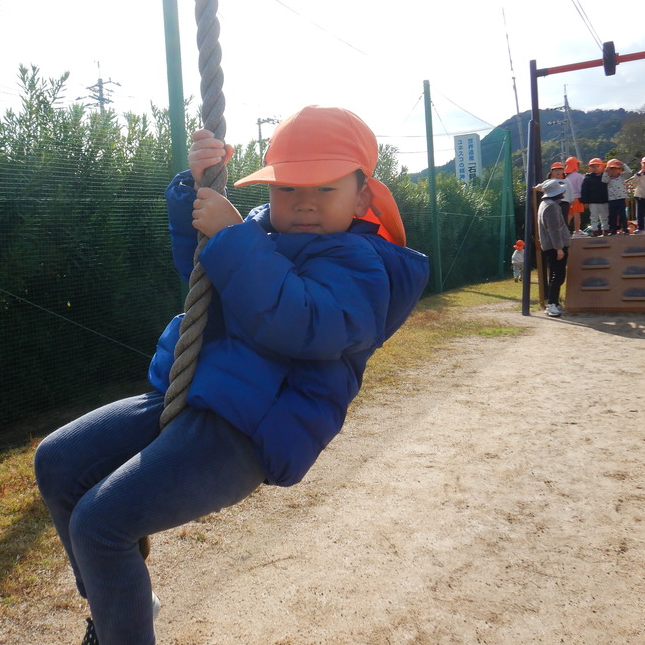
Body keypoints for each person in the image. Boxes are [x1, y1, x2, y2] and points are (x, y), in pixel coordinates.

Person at [34, 105, 430, 645]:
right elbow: (202, 273)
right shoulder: (258, 231)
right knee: (57, 460)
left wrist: (233, 239)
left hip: (249, 428)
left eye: (324, 188)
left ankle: (118, 628)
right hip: (193, 391)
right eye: (288, 188)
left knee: (100, 525)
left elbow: (299, 322)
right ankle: (117, 604)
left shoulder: (364, 265)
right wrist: (194, 194)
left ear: (363, 197)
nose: (304, 203)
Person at [537, 178, 570, 317]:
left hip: (551, 246)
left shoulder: (545, 204)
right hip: (555, 246)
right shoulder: (552, 206)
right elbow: (554, 229)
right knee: (558, 275)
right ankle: (552, 304)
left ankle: (554, 302)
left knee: (555, 274)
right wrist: (559, 248)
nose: (563, 193)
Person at [581, 157, 609, 236]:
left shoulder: (606, 177)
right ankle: (594, 230)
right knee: (593, 217)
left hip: (604, 200)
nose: (596, 168)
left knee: (605, 216)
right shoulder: (588, 178)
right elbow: (584, 190)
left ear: (602, 166)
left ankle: (606, 230)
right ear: (590, 168)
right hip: (592, 201)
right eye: (593, 167)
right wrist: (585, 201)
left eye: (598, 166)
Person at [602, 159, 629, 234]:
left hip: (621, 199)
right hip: (612, 200)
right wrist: (605, 171)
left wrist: (623, 165)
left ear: (619, 170)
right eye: (611, 169)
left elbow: (629, 172)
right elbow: (603, 180)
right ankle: (613, 230)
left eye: (615, 169)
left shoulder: (621, 177)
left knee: (622, 215)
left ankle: (625, 229)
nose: (613, 171)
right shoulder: (608, 178)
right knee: (612, 216)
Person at [564, 156, 586, 235]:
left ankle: (563, 231)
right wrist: (584, 199)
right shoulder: (579, 176)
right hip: (577, 198)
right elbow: (581, 189)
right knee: (577, 215)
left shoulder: (567, 177)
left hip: (569, 199)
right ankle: (577, 231)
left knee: (569, 215)